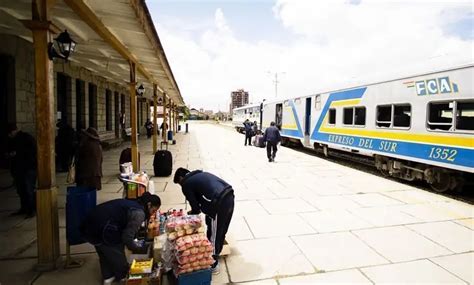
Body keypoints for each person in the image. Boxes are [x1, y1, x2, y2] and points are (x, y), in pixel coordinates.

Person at [80, 193, 161, 285]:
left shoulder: (134, 203)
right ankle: (122, 277)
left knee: (104, 252)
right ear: (149, 205)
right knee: (117, 255)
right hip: (102, 228)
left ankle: (108, 277)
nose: (153, 213)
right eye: (153, 210)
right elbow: (127, 237)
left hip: (91, 225)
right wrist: (138, 248)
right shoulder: (139, 213)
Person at [173, 168, 234, 274]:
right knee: (221, 227)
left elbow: (195, 207)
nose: (181, 186)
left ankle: (213, 262)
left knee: (214, 233)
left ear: (181, 178)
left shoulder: (186, 184)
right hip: (229, 195)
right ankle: (217, 250)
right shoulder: (200, 174)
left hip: (218, 202)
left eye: (179, 183)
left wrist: (191, 215)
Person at [6, 124, 37, 218]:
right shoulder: (14, 140)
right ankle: (25, 208)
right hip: (20, 169)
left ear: (13, 131)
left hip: (28, 168)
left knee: (28, 190)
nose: (9, 136)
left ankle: (31, 210)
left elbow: (31, 152)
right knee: (22, 190)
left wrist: (16, 153)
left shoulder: (25, 138)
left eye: (10, 133)